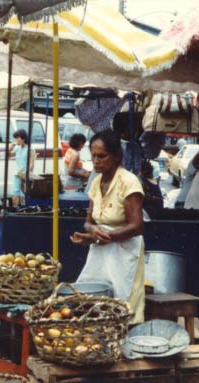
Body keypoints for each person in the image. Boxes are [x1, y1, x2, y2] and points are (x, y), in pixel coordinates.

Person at [70, 130, 145, 324]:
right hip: (100, 250)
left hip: (124, 251)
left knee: (122, 303)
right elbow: (89, 221)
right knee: (93, 302)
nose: (96, 161)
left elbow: (136, 226)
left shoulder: (129, 182)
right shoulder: (96, 182)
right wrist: (91, 232)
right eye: (93, 156)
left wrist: (106, 236)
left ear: (117, 156)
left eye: (102, 156)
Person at [9, 129, 34, 206]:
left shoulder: (30, 149)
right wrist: (10, 148)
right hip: (17, 174)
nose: (16, 140)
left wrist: (25, 174)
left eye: (17, 138)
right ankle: (15, 209)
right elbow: (8, 156)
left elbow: (31, 164)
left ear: (23, 138)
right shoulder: (17, 148)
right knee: (15, 194)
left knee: (24, 195)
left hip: (25, 175)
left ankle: (22, 210)